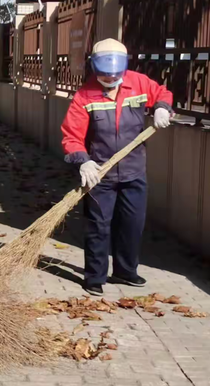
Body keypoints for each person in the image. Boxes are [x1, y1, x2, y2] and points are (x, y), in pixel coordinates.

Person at [61, 38, 173, 296]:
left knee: (132, 224)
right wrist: (83, 160)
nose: (110, 79)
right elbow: (71, 135)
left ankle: (125, 271)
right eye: (104, 75)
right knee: (98, 226)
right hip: (100, 174)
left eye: (115, 75)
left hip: (134, 171)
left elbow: (163, 93)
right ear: (94, 68)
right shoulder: (84, 95)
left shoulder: (139, 83)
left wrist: (162, 108)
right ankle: (95, 277)